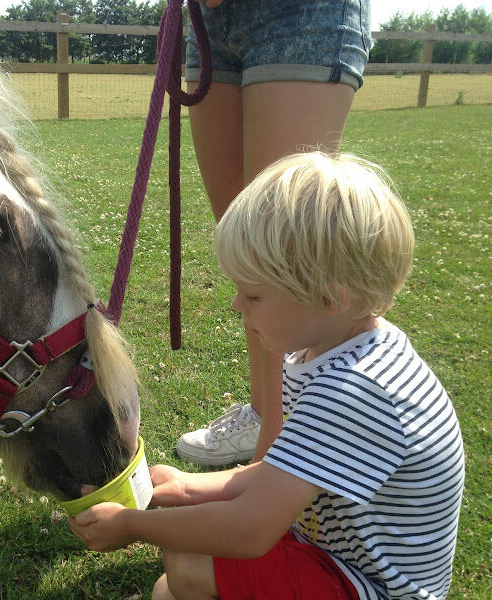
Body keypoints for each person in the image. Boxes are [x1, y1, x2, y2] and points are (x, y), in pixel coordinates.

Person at [69, 153, 465, 600]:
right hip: (334, 556)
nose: (238, 306)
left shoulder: (354, 390)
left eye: (254, 294)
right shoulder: (335, 348)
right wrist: (187, 486)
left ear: (330, 298)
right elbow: (281, 472)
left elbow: (249, 530)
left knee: (189, 562)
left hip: (375, 587)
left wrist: (133, 526)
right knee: (169, 589)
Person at [176, 0, 374, 466]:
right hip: (208, 21)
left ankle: (287, 443)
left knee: (284, 252)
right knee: (247, 250)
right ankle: (269, 413)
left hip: (301, 13)